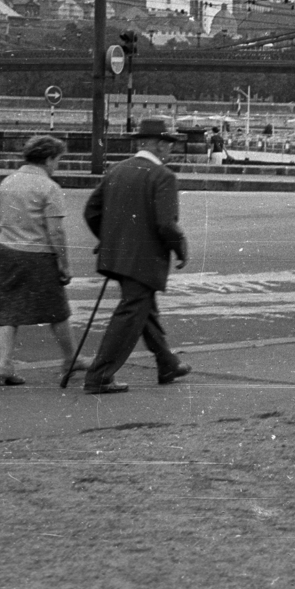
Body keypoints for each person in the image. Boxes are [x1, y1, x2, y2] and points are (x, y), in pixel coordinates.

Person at [80, 116, 192, 393]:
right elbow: (166, 224)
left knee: (143, 309)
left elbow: (91, 211)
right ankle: (100, 375)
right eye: (166, 143)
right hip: (144, 259)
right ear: (154, 145)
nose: (169, 149)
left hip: (117, 256)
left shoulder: (117, 170)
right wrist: (181, 248)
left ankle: (168, 363)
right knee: (132, 313)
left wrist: (108, 238)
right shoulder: (163, 176)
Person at [0, 134, 84, 386]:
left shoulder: (8, 182)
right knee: (57, 310)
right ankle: (70, 360)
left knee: (8, 311)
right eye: (57, 160)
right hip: (37, 254)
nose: (57, 165)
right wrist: (63, 264)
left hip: (6, 251)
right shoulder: (49, 187)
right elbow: (55, 231)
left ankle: (4, 365)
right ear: (48, 158)